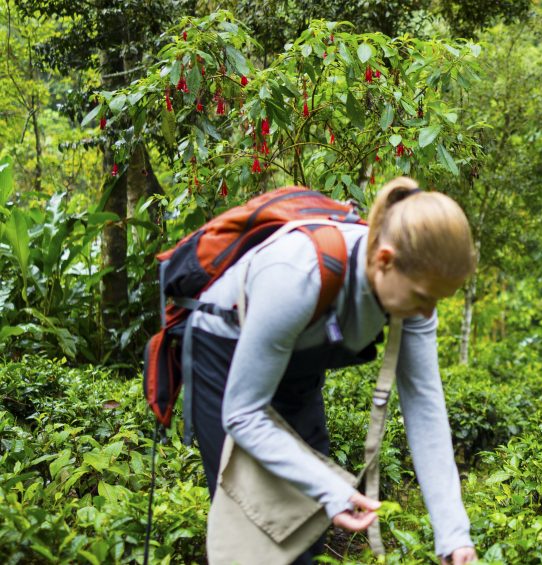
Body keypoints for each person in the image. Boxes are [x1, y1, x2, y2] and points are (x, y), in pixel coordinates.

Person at [186, 177, 477, 564]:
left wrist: (454, 537)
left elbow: (424, 406)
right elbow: (243, 414)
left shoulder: (414, 290)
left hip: (296, 363)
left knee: (305, 524)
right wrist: (330, 489)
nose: (427, 313)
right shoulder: (297, 275)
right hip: (225, 354)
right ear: (385, 259)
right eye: (423, 298)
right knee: (256, 522)